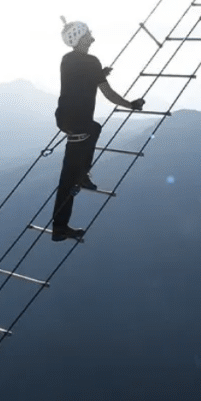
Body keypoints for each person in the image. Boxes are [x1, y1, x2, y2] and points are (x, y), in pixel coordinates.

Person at [51, 18, 143, 242]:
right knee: (91, 134)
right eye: (89, 35)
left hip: (65, 119)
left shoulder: (67, 60)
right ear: (81, 38)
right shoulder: (91, 63)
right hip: (81, 123)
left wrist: (99, 73)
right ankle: (82, 177)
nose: (92, 38)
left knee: (68, 176)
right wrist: (131, 104)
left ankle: (60, 226)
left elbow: (78, 80)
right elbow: (108, 94)